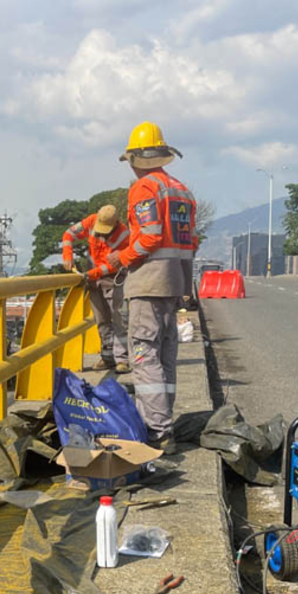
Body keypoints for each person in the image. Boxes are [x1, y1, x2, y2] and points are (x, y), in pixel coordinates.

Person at [116, 121, 197, 453]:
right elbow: (189, 243)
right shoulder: (181, 190)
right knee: (165, 358)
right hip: (174, 282)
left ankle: (158, 432)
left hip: (148, 284)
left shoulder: (144, 188)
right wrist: (187, 287)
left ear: (136, 160)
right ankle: (166, 427)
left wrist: (122, 258)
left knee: (144, 356)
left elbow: (148, 235)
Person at [61, 204, 132, 374]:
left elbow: (114, 265)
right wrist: (67, 255)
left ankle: (122, 359)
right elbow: (69, 234)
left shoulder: (124, 235)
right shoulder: (92, 221)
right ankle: (107, 357)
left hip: (113, 279)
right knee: (101, 320)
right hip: (94, 281)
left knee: (119, 320)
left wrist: (93, 273)